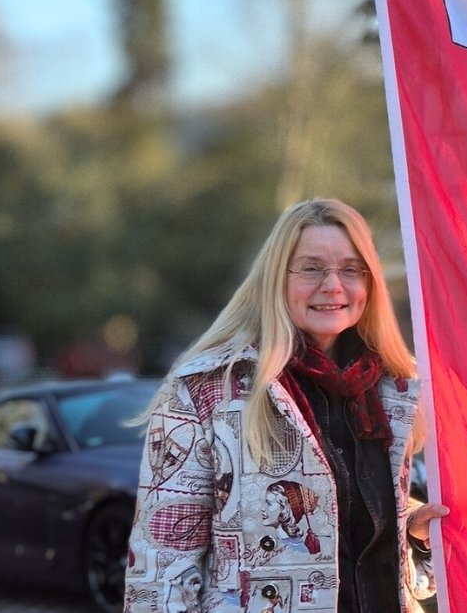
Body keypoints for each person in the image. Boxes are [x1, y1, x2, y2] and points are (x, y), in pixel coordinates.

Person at [126, 198, 449, 613]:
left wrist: (410, 529)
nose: (333, 285)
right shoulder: (206, 389)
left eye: (351, 269)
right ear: (276, 279)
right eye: (312, 267)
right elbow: (161, 567)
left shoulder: (398, 387)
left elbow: (352, 528)